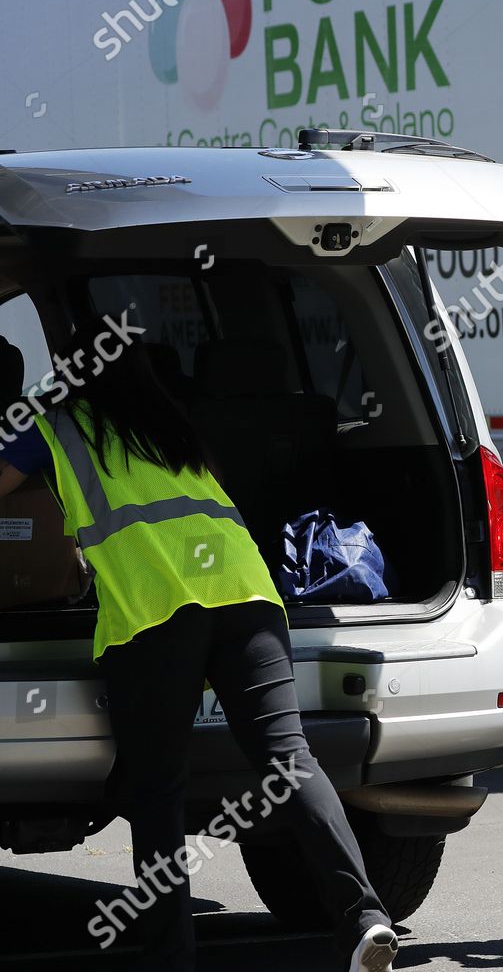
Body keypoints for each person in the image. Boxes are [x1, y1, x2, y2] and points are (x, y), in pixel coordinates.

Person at [0, 316, 398, 972]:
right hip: (251, 599)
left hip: (158, 617)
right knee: (289, 760)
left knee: (156, 792)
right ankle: (365, 917)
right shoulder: (175, 425)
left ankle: (172, 958)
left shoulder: (56, 425)